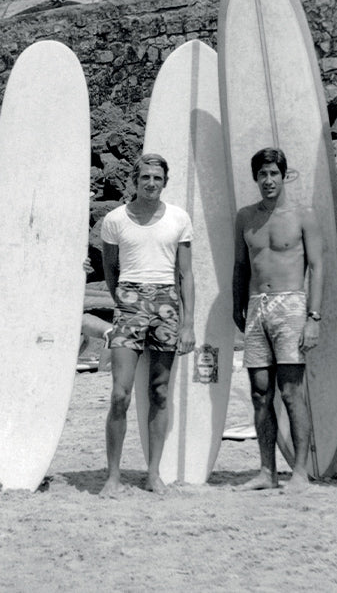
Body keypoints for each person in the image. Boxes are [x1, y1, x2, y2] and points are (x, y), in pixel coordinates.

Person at [100, 153, 195, 495]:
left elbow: (185, 274)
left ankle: (153, 472)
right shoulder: (114, 220)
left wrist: (188, 324)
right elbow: (110, 269)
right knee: (120, 394)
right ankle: (113, 475)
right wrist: (125, 301)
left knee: (159, 391)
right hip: (129, 301)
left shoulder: (178, 218)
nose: (151, 183)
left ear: (164, 182)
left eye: (157, 178)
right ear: (134, 181)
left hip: (167, 303)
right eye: (145, 178)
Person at [232, 148, 323, 491]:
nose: (268, 181)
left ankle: (299, 472)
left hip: (291, 304)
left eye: (274, 174)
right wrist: (236, 305)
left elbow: (317, 266)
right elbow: (240, 265)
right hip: (257, 305)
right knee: (259, 393)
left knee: (290, 391)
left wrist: (313, 317)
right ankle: (266, 471)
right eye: (262, 175)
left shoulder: (303, 215)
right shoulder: (245, 217)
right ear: (255, 178)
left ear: (284, 175)